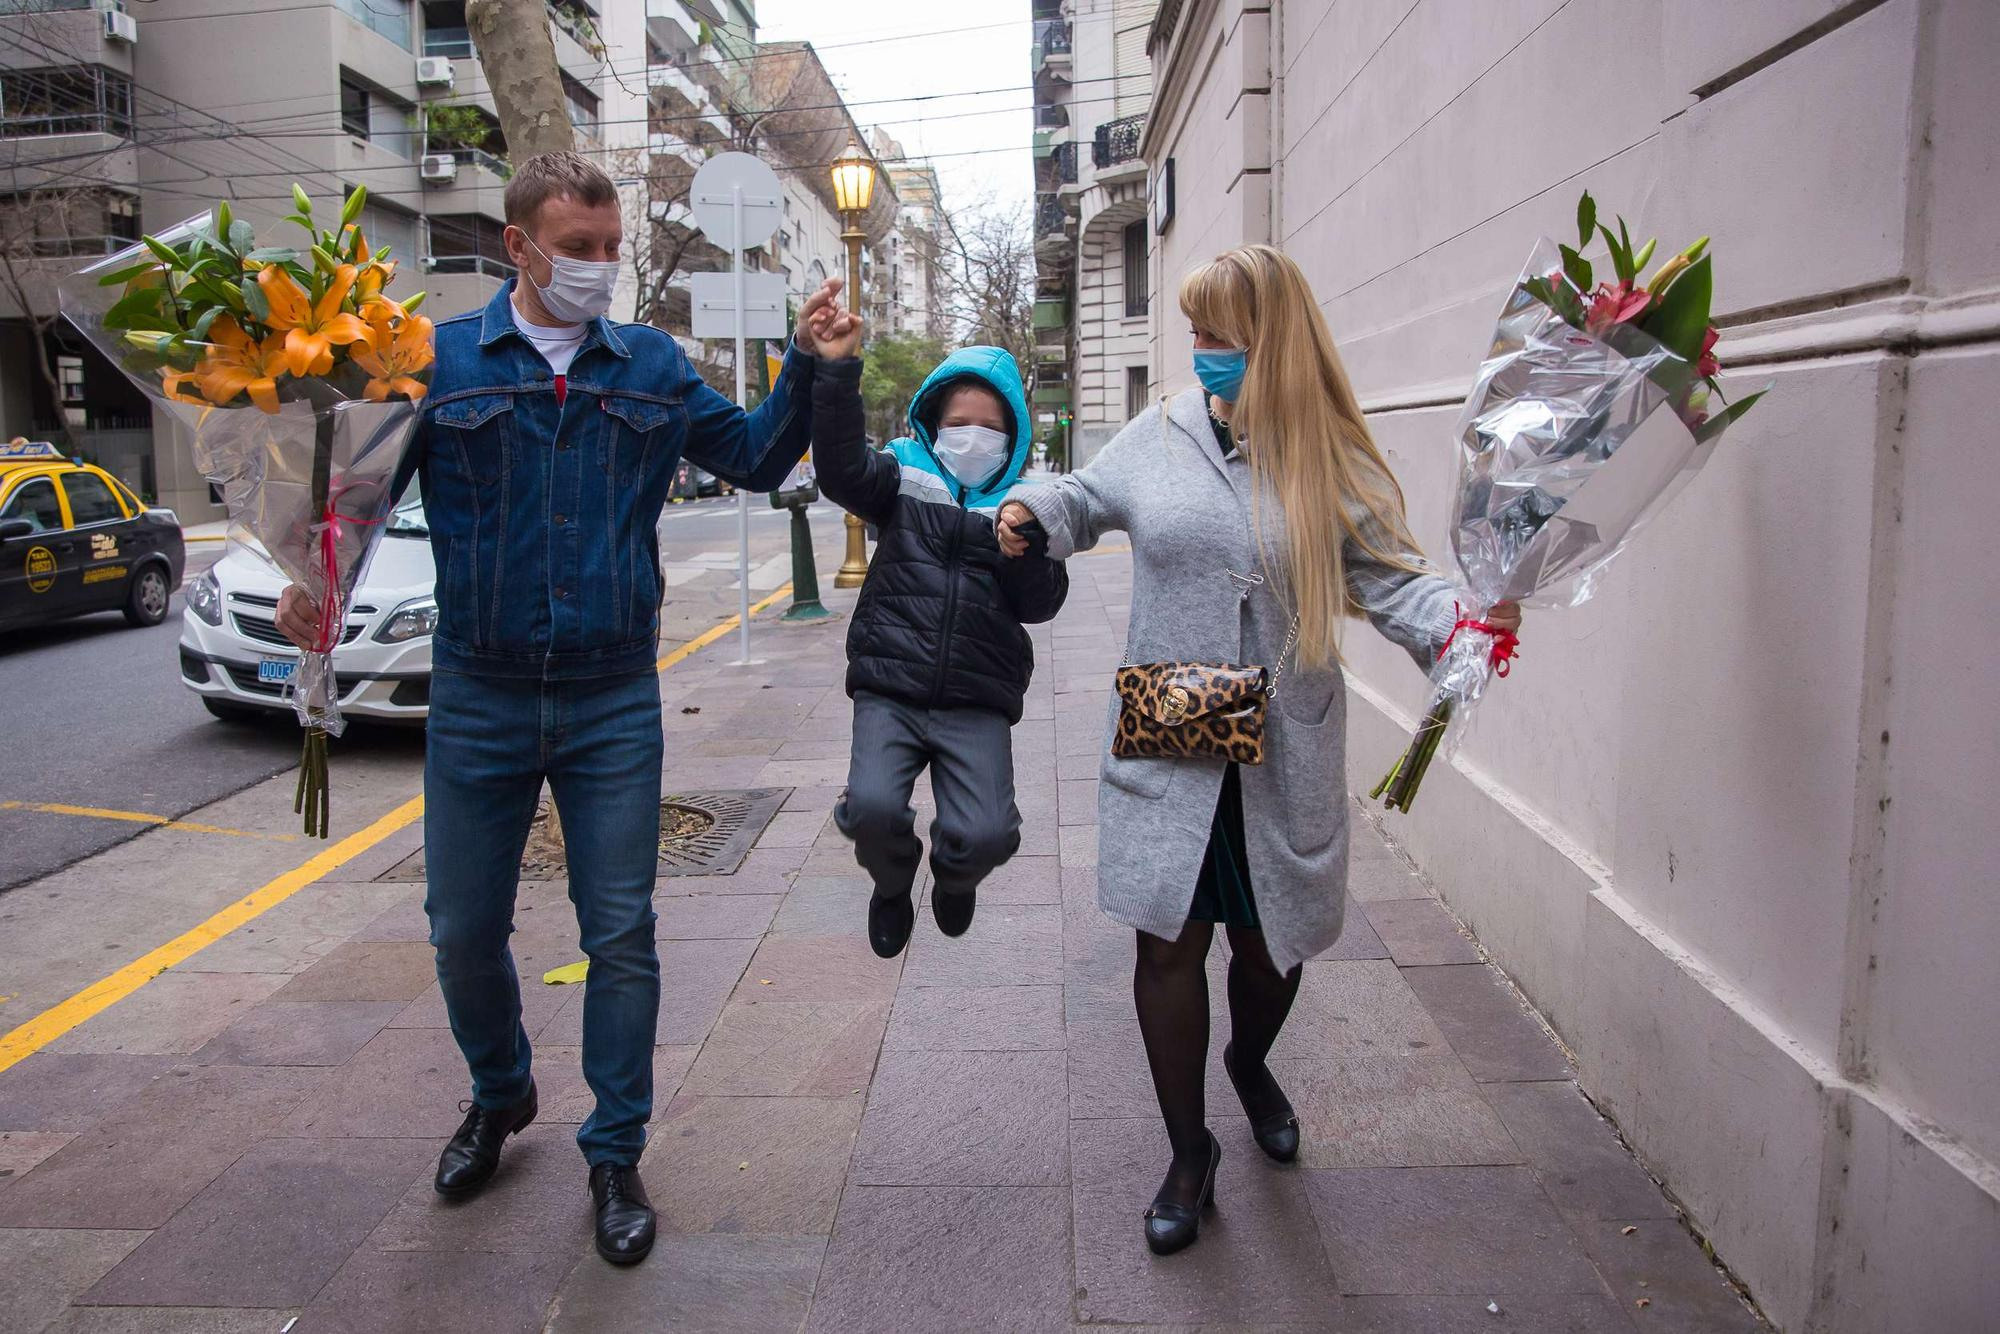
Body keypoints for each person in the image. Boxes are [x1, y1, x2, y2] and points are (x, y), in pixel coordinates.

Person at [272, 151, 859, 1266]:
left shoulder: (646, 363)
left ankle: (614, 1149)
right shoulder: (435, 362)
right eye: (576, 248)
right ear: (519, 246)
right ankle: (501, 1093)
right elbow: (354, 500)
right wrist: (315, 583)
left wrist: (808, 364)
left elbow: (746, 455)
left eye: (609, 249)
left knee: (620, 934)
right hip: (480, 691)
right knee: (459, 931)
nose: (596, 267)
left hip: (609, 697)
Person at [997, 245, 1521, 1256]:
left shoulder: (1324, 455)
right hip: (1175, 734)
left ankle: (1246, 1060)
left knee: (1269, 949)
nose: (1197, 355)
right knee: (1165, 941)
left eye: (1214, 336)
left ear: (1269, 339)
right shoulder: (1160, 434)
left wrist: (1465, 627)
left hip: (1279, 748)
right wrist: (1028, 512)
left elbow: (1393, 582)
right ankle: (1188, 1152)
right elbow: (1083, 499)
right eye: (1192, 333)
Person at [813, 346, 1068, 958]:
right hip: (890, 682)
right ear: (932, 423)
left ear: (1013, 435)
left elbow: (1042, 604)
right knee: (869, 810)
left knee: (986, 835)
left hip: (977, 695)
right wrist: (836, 374)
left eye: (989, 427)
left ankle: (955, 878)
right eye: (958, 424)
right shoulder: (904, 473)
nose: (971, 437)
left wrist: (1025, 548)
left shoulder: (1029, 504)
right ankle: (894, 881)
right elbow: (841, 471)